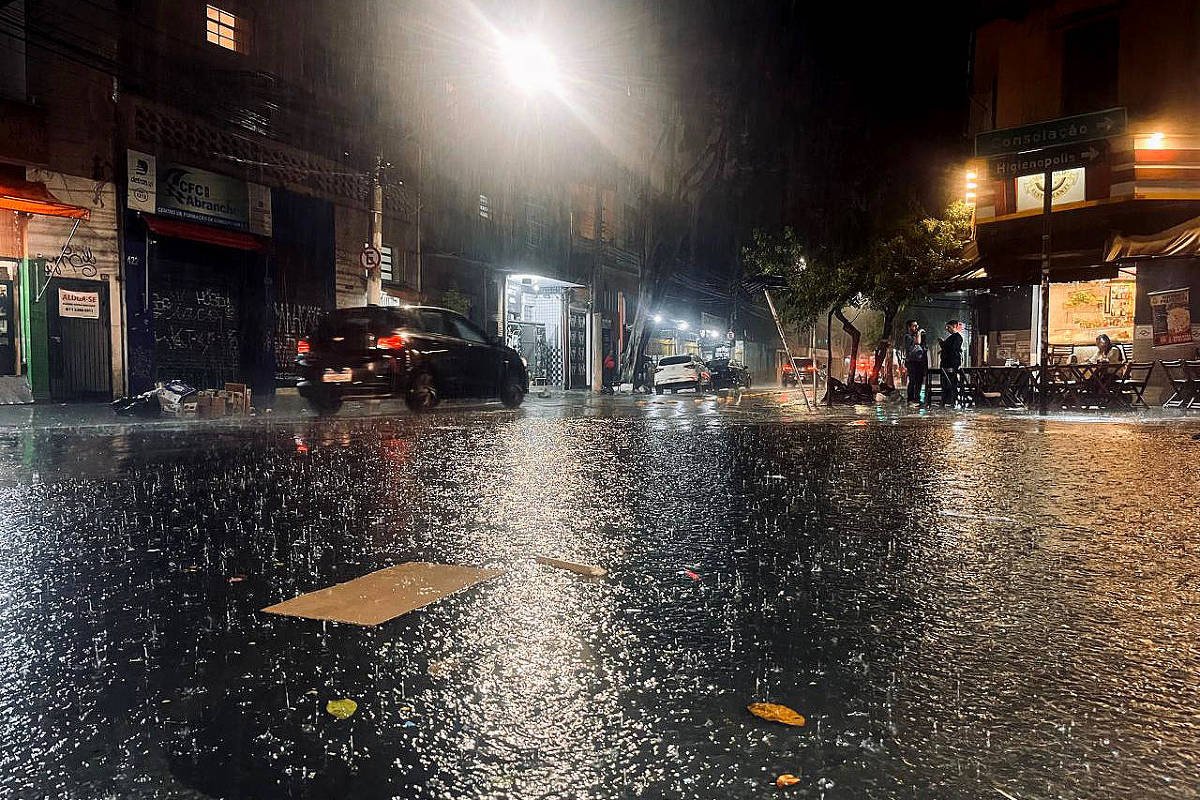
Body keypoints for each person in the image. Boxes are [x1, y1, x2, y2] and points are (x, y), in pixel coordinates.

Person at [938, 319, 963, 407]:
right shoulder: (952, 337)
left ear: (954, 326)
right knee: (946, 383)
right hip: (947, 363)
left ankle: (951, 400)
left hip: (951, 364)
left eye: (949, 327)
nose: (947, 329)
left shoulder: (957, 337)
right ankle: (947, 400)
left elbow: (952, 350)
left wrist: (943, 344)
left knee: (950, 383)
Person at [902, 320, 927, 404]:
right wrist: (919, 332)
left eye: (917, 326)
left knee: (919, 381)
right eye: (914, 326)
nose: (916, 328)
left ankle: (917, 398)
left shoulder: (916, 336)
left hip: (919, 362)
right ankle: (910, 398)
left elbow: (922, 345)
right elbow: (917, 342)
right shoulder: (908, 336)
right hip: (912, 362)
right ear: (909, 327)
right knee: (913, 380)